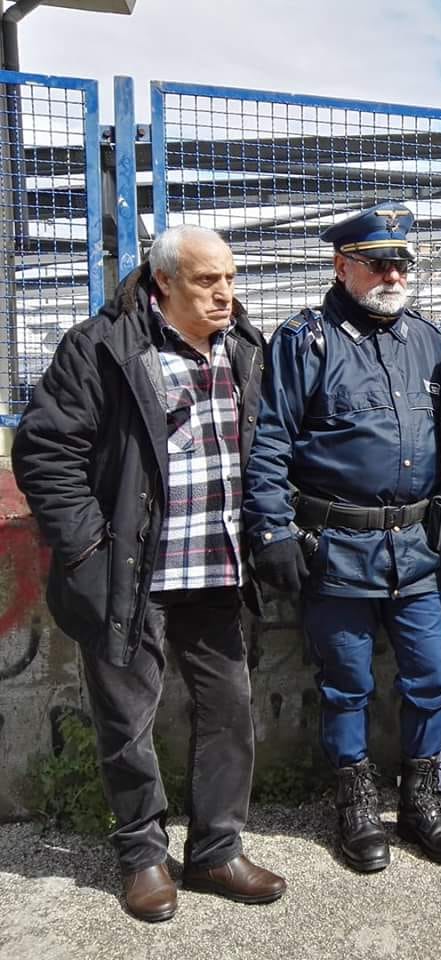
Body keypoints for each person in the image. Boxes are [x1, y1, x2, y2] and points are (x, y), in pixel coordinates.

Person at [12, 225, 286, 922]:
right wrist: (88, 552)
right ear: (164, 282)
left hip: (218, 568)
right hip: (128, 573)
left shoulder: (246, 348)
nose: (225, 293)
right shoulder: (101, 347)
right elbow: (46, 452)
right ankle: (141, 855)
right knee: (126, 719)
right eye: (206, 280)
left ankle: (217, 849)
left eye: (230, 276)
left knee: (229, 710)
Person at [242, 202, 441, 873]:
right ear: (342, 267)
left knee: (431, 679)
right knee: (346, 684)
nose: (393, 273)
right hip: (336, 550)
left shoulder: (428, 341)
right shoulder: (304, 340)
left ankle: (421, 799)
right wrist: (271, 529)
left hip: (415, 551)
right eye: (377, 261)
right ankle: (355, 805)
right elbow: (270, 441)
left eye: (401, 261)